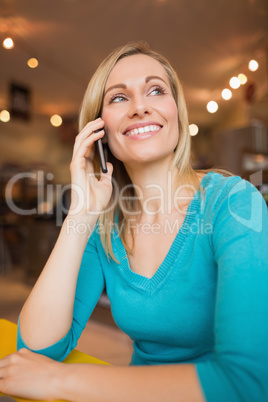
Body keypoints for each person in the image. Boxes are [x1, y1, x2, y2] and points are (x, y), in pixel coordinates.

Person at [0, 41, 268, 402]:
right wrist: (80, 215)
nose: (140, 107)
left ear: (177, 112)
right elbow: (37, 348)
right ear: (99, 131)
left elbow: (248, 383)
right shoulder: (104, 224)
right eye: (119, 98)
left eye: (155, 90)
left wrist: (60, 381)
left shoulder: (233, 202)